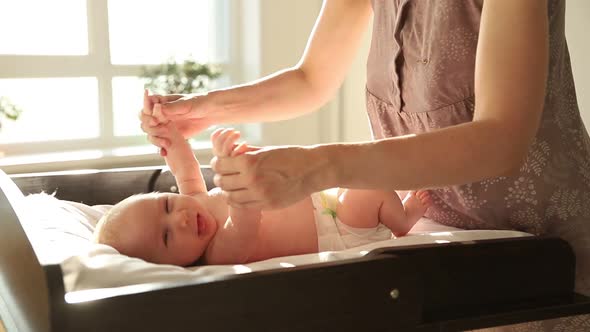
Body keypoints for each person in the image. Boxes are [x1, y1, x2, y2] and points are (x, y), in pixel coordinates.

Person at [140, 1, 589, 329]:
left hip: (545, 256)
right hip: (432, 251)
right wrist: (204, 109)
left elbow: (501, 139)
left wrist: (321, 166)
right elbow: (311, 78)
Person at [94, 96, 431, 266]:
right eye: (166, 236)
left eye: (166, 205)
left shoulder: (195, 204)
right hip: (339, 231)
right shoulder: (217, 253)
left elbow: (185, 169)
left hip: (324, 201)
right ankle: (401, 221)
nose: (179, 217)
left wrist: (168, 134)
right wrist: (231, 165)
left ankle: (394, 207)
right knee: (367, 185)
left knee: (358, 170)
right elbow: (245, 217)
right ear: (173, 265)